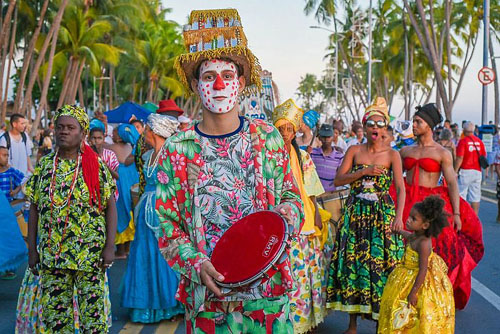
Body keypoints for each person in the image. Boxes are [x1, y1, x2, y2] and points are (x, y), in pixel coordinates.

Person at [156, 9, 303, 333]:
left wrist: (278, 224)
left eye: (228, 75)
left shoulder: (267, 139)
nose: (219, 84)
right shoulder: (178, 148)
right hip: (209, 298)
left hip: (266, 294)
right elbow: (166, 223)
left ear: (241, 82)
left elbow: (293, 198)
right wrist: (195, 263)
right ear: (195, 85)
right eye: (209, 77)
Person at [25, 105, 117, 332]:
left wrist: (110, 246)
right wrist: (32, 249)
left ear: (82, 133)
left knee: (93, 321)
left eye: (70, 127)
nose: (63, 131)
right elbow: (35, 208)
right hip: (52, 256)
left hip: (89, 256)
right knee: (56, 320)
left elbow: (110, 206)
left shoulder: (95, 165)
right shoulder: (45, 166)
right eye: (59, 127)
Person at [327, 97, 405, 333]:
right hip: (355, 214)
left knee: (382, 266)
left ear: (385, 128)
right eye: (371, 123)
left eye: (380, 124)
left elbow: (400, 188)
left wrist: (399, 217)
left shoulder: (393, 155)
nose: (375, 127)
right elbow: (338, 179)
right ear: (365, 126)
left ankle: (381, 322)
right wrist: (365, 172)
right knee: (354, 264)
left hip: (382, 216)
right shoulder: (354, 150)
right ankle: (352, 325)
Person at [400, 103, 484, 309]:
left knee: (440, 250)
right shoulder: (405, 150)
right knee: (401, 246)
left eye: (418, 122)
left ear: (429, 126)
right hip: (408, 200)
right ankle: (403, 290)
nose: (414, 125)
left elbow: (452, 183)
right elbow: (396, 177)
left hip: (430, 204)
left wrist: (456, 213)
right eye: (414, 121)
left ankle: (433, 293)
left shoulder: (442, 153)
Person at [273, 99, 330, 333]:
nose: (285, 134)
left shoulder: (303, 157)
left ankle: (306, 319)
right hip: (280, 221)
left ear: (295, 131)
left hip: (304, 220)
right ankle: (287, 319)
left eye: (289, 129)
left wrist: (316, 214)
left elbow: (312, 188)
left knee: (307, 271)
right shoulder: (270, 157)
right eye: (281, 129)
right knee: (288, 271)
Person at [121, 113, 184, 323]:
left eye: (146, 129)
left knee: (165, 256)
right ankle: (146, 305)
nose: (144, 133)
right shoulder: (148, 157)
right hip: (145, 211)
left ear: (155, 132)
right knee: (145, 255)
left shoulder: (172, 155)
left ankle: (171, 304)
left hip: (163, 211)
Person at [378, 196, 454, 334]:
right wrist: (398, 231)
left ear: (425, 225)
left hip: (417, 281)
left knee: (414, 313)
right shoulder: (416, 235)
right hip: (405, 276)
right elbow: (409, 236)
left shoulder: (424, 244)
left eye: (413, 219)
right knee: (397, 307)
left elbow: (423, 270)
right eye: (409, 217)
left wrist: (414, 292)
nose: (408, 220)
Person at [108, 124, 140, 259]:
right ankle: (126, 249)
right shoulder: (131, 148)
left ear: (120, 137)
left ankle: (120, 251)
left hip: (120, 183)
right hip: (130, 182)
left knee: (120, 212)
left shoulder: (112, 148)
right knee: (130, 213)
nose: (112, 135)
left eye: (114, 133)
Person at [455, 121, 486, 214]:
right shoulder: (479, 142)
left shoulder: (463, 141)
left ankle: (463, 217)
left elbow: (460, 157)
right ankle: (474, 217)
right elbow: (483, 155)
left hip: (466, 170)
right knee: (475, 196)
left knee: (461, 194)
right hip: (477, 171)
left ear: (464, 130)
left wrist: (455, 170)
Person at [310, 124, 345, 192]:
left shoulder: (339, 157)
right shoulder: (312, 153)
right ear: (320, 138)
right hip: (315, 194)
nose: (326, 139)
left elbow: (340, 177)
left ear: (333, 137)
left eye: (328, 137)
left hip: (331, 195)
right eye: (324, 137)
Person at [0, 113, 34, 178]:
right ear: (14, 124)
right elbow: (2, 160)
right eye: (22, 123)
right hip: (10, 178)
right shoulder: (4, 139)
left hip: (24, 177)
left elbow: (28, 155)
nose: (24, 126)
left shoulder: (25, 136)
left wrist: (32, 170)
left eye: (24, 123)